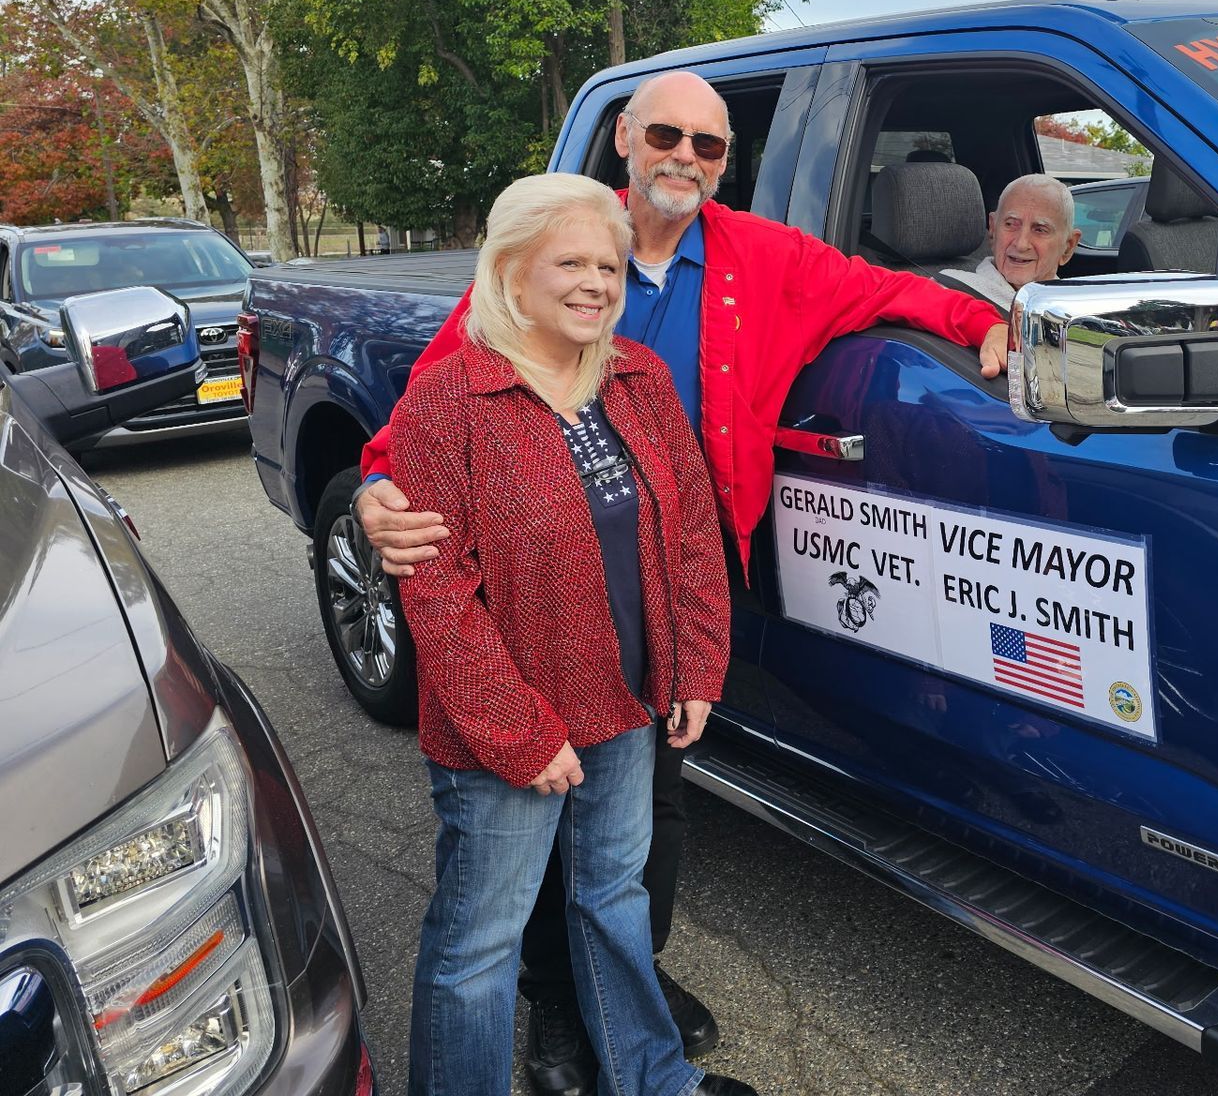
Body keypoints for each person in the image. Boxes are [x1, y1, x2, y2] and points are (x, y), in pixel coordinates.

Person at [355, 70, 1007, 1095]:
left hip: (654, 608)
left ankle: (627, 1025)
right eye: (667, 135)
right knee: (503, 879)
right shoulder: (532, 286)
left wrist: (981, 325)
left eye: (710, 146)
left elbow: (885, 293)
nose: (687, 159)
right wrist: (375, 495)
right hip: (529, 624)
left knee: (640, 837)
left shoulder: (744, 274)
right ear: (624, 138)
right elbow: (415, 447)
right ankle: (558, 1013)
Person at [391, 173, 751, 1096]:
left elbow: (692, 538)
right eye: (571, 263)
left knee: (613, 902)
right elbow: (435, 592)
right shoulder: (446, 403)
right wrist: (519, 731)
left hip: (628, 704)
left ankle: (652, 1078)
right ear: (510, 273)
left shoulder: (639, 378)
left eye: (610, 265)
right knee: (480, 939)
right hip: (506, 727)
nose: (596, 283)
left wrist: (696, 663)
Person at [943, 173, 1083, 308]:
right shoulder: (949, 292)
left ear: (1068, 247)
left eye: (1040, 229)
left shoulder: (1080, 309)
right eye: (1010, 224)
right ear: (993, 230)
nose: (1021, 244)